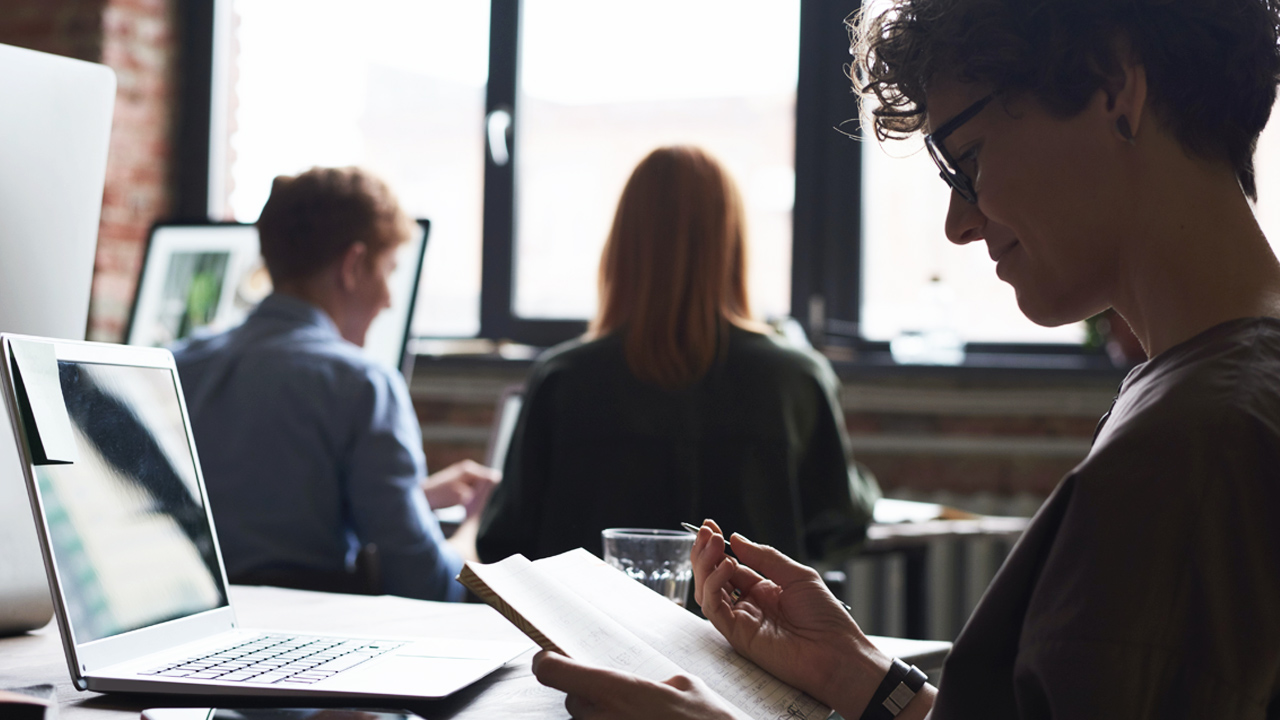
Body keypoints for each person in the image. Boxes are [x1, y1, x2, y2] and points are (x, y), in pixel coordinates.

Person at [527, 0, 1280, 716]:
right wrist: (857, 674)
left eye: (968, 162)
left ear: (1117, 87)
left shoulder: (1201, 445)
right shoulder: (1200, 391)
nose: (959, 224)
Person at [476, 145, 880, 565]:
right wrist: (863, 488)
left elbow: (504, 542)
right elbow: (838, 524)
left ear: (623, 244)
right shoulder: (796, 377)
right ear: (733, 245)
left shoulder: (562, 377)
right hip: (744, 630)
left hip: (589, 630)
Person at [174, 166, 499, 602]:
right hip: (306, 637)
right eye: (387, 271)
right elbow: (425, 585)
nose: (389, 298)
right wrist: (472, 533)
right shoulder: (362, 384)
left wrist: (412, 500)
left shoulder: (180, 363)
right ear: (352, 265)